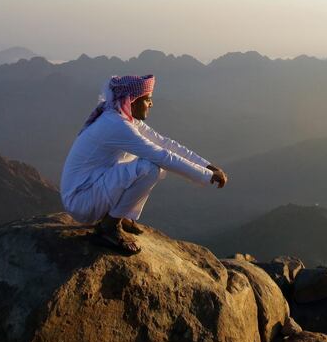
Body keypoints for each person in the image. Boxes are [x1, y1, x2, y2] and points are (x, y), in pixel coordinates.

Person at [60, 74, 227, 255]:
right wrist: (206, 176)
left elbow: (165, 143)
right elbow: (163, 155)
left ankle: (118, 215)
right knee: (150, 168)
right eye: (147, 99)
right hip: (82, 200)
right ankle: (108, 227)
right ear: (131, 100)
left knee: (144, 160)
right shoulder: (115, 124)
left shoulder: (121, 119)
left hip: (90, 190)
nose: (151, 104)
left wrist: (207, 166)